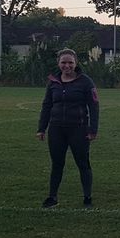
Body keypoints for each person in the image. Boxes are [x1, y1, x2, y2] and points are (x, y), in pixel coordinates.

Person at [36, 49, 99, 208]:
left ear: (76, 63)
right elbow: (47, 105)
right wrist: (41, 128)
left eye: (70, 62)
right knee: (57, 163)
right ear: (58, 63)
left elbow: (94, 106)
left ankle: (87, 198)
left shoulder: (86, 82)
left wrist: (93, 129)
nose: (67, 66)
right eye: (64, 62)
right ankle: (52, 197)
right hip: (56, 129)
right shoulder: (53, 82)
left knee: (83, 163)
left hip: (79, 129)